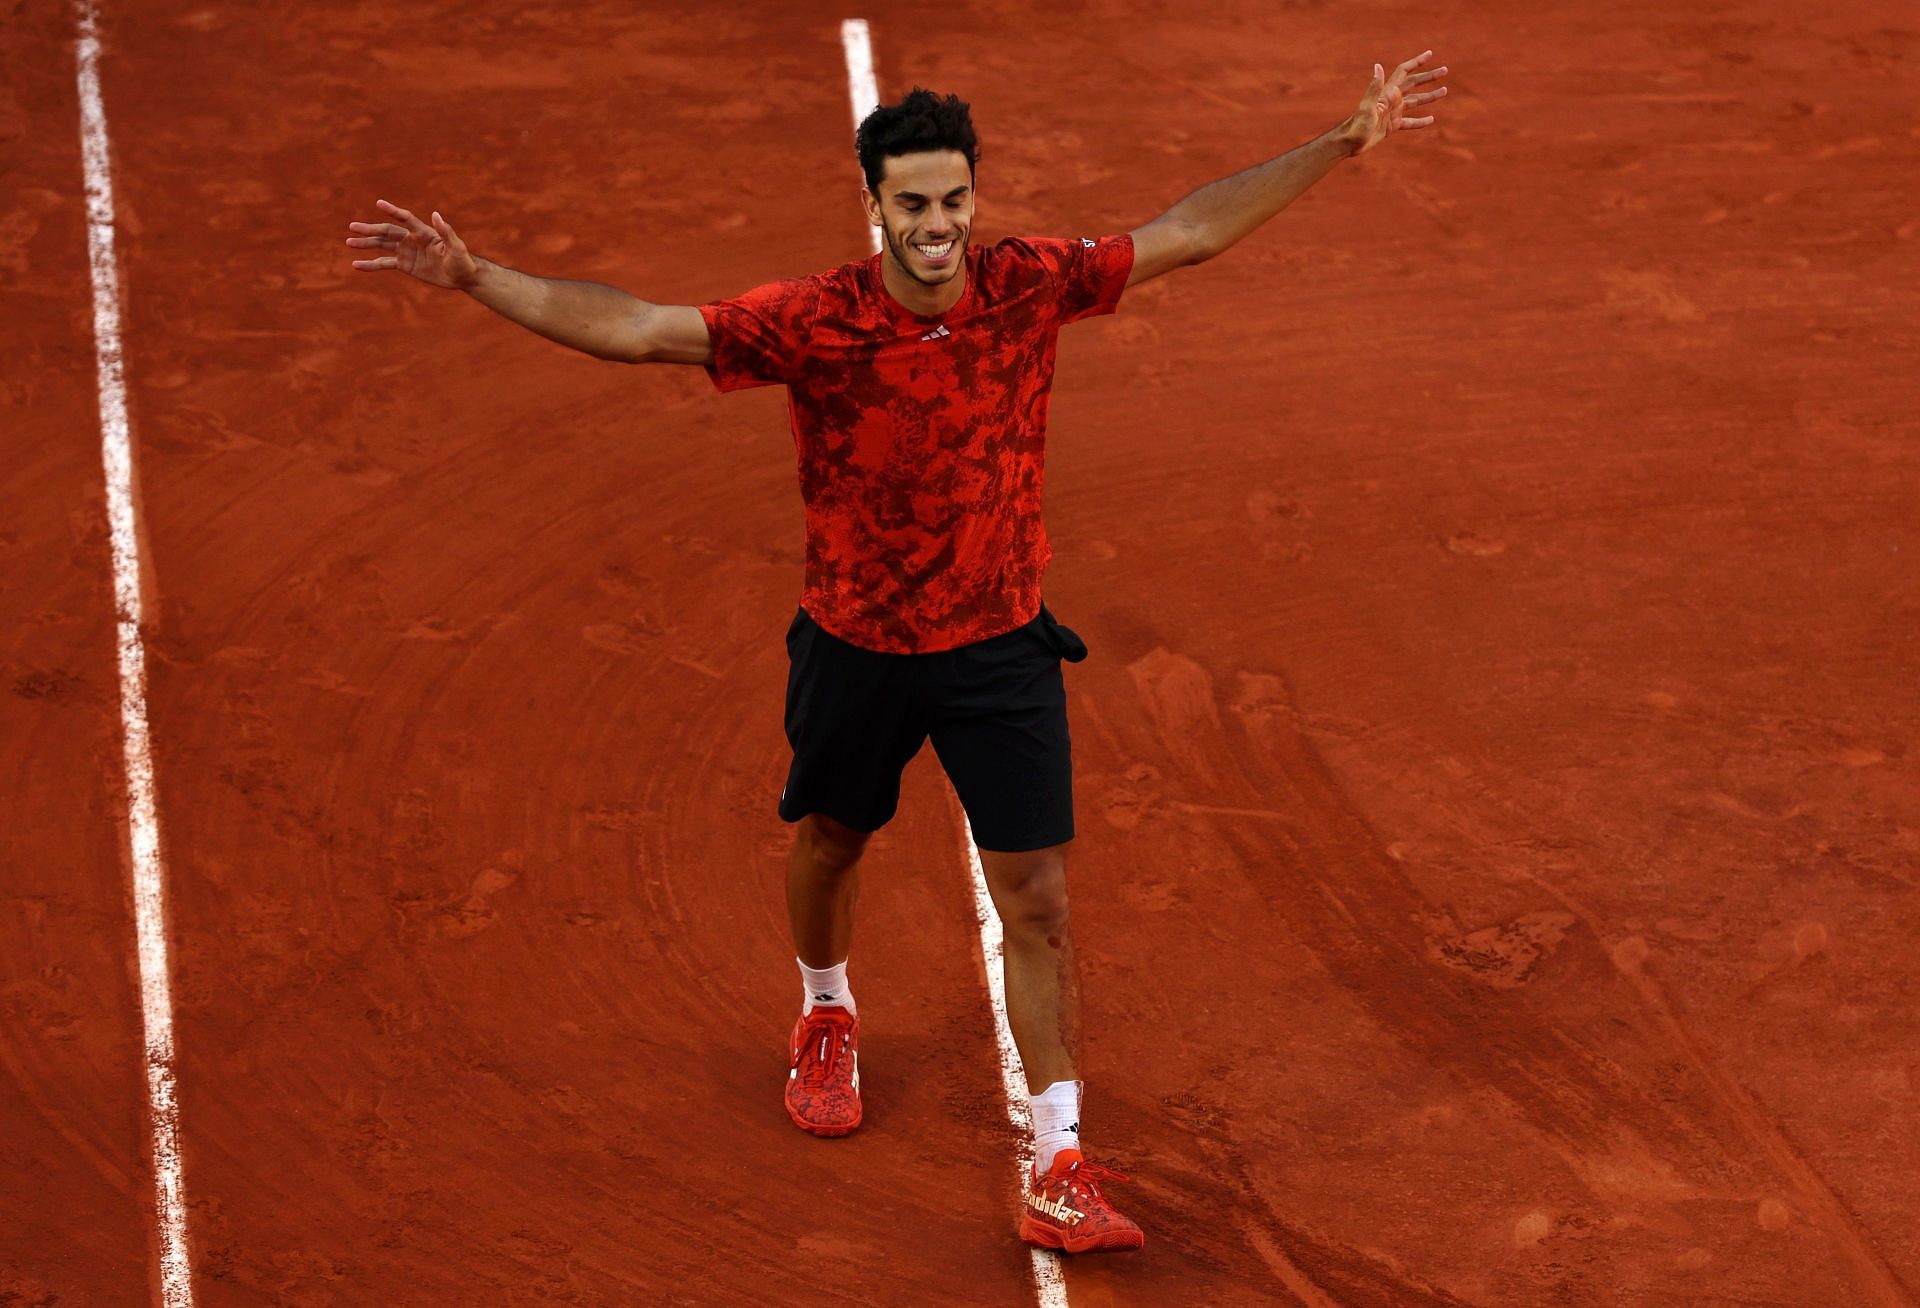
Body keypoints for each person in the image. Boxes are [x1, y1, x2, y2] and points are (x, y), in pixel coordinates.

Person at [347, 50, 1447, 1254]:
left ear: (977, 197)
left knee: (1037, 900)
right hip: (855, 645)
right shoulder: (813, 322)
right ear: (873, 202)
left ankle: (1060, 1156)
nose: (938, 223)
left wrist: (1341, 141)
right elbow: (639, 330)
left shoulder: (1032, 283)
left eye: (954, 199)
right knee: (829, 842)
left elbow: (1186, 233)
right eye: (913, 202)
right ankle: (826, 1010)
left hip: (1000, 647)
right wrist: (474, 277)